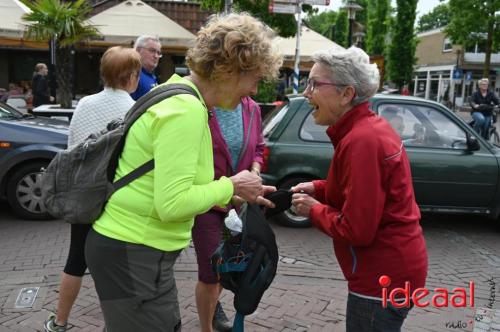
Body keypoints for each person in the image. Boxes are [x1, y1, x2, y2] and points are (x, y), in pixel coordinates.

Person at [84, 13, 282, 332]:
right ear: (230, 70)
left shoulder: (178, 92)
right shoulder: (186, 111)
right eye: (255, 79)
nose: (253, 91)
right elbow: (172, 203)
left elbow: (179, 185)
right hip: (134, 250)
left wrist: (237, 191)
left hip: (133, 249)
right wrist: (231, 183)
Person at [290, 46, 428, 332]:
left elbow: (357, 229)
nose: (306, 93)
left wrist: (314, 210)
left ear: (346, 94)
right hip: (392, 271)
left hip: (380, 278)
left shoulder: (361, 141)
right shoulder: (368, 129)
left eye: (315, 84)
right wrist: (318, 188)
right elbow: (363, 192)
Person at [44, 46, 142, 332]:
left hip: (84, 197)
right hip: (117, 199)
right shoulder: (135, 110)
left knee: (76, 259)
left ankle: (59, 322)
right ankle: (118, 324)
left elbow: (72, 147)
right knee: (117, 266)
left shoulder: (85, 103)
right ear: (132, 76)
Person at [192, 96, 265, 332]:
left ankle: (212, 308)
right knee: (210, 273)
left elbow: (259, 149)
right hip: (209, 202)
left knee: (230, 266)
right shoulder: (203, 106)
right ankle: (206, 327)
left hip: (238, 204)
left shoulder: (252, 108)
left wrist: (254, 171)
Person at [131, 35, 161, 100]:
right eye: (152, 50)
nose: (156, 56)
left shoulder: (152, 76)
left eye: (158, 53)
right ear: (138, 50)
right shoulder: (131, 74)